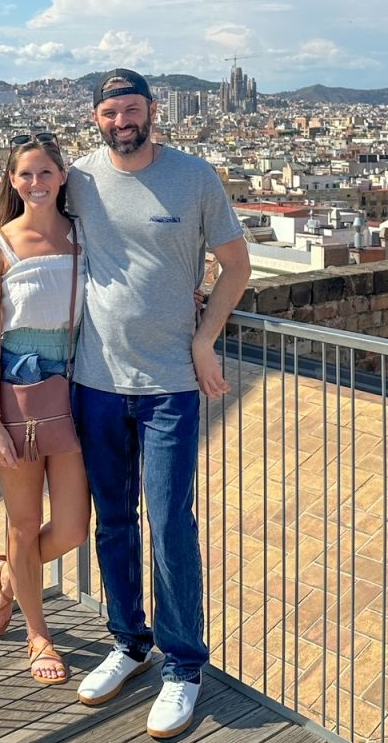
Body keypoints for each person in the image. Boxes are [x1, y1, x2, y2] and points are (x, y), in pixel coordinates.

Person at [67, 70, 250, 738]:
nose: (122, 119)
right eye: (111, 110)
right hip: (95, 380)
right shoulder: (79, 179)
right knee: (113, 520)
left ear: (152, 110)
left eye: (132, 108)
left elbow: (236, 265)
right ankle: (128, 642)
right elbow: (27, 221)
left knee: (171, 525)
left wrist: (206, 339)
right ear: (97, 118)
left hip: (171, 382)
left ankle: (182, 666)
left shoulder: (195, 176)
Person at [0, 132, 89, 685]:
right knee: (22, 524)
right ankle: (39, 636)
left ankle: (10, 579)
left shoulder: (83, 236)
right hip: (18, 392)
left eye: (45, 172)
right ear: (10, 182)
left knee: (71, 528)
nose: (36, 183)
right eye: (25, 175)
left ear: (63, 176)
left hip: (73, 386)